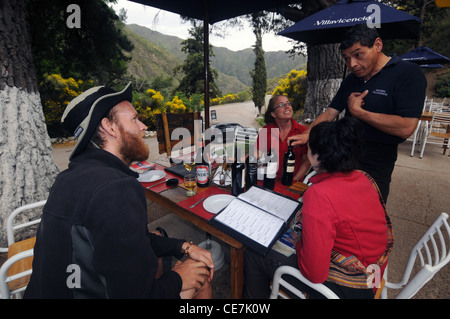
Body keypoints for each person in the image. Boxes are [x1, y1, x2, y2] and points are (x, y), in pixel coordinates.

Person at [24, 83, 214, 299]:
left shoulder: (68, 177)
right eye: (134, 119)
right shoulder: (116, 188)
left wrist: (183, 246)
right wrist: (180, 276)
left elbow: (128, 242)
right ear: (109, 127)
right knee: (201, 278)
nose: (143, 126)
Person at [244, 117, 394, 299]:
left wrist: (299, 242)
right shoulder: (364, 177)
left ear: (319, 156)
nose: (306, 152)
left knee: (255, 252)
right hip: (374, 271)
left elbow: (314, 274)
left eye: (308, 149)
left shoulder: (319, 195)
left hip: (348, 287)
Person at [290, 24, 427, 202]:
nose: (352, 64)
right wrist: (308, 133)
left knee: (364, 209)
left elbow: (406, 127)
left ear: (377, 45)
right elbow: (331, 113)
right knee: (332, 202)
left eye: (358, 54)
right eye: (347, 58)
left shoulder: (408, 73)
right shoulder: (352, 79)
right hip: (342, 153)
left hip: (376, 161)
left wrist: (358, 111)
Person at [257, 95, 310, 182]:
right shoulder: (265, 130)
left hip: (293, 181)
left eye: (288, 103)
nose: (287, 107)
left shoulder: (302, 132)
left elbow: (307, 162)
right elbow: (257, 153)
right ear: (273, 114)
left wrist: (294, 180)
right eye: (281, 105)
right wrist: (240, 160)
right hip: (269, 179)